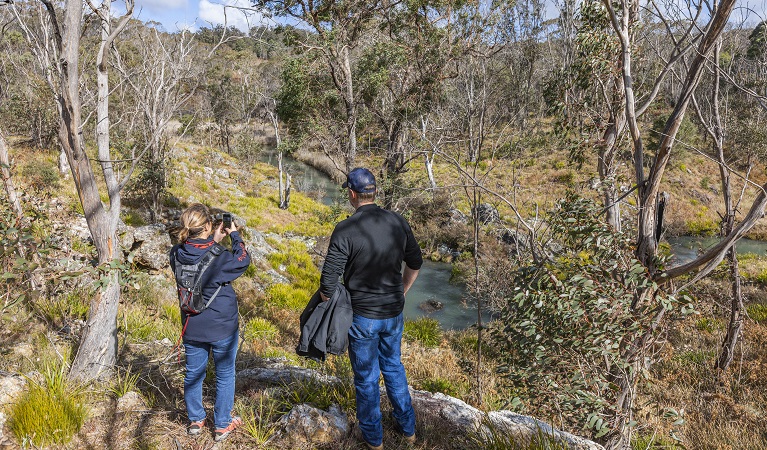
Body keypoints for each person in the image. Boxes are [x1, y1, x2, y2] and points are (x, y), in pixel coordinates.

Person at [319, 168, 422, 450]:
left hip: (362, 317)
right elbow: (416, 261)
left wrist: (333, 307)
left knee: (366, 378)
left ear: (352, 194)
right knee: (394, 368)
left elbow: (328, 283)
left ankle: (374, 439)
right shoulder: (397, 222)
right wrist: (401, 291)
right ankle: (408, 431)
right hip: (393, 314)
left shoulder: (346, 229)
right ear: (373, 191)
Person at [169, 203, 250, 442]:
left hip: (192, 325)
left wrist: (213, 237)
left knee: (194, 373)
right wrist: (234, 235)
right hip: (222, 325)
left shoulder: (176, 253)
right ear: (206, 226)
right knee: (225, 373)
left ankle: (195, 420)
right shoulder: (221, 257)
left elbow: (198, 257)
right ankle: (222, 424)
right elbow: (243, 260)